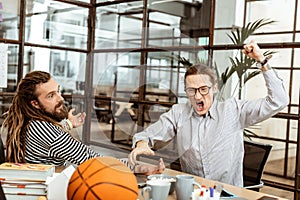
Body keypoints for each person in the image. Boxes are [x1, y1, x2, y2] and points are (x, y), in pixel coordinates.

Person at [128, 41, 289, 186]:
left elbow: (279, 101)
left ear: (215, 88)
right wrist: (142, 144)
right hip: (193, 193)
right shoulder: (179, 113)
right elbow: (147, 136)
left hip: (228, 195)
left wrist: (262, 60)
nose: (197, 96)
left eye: (203, 89)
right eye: (191, 90)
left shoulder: (234, 110)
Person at [1, 70, 164, 175]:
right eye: (51, 96)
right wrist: (139, 167)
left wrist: (69, 125)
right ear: (35, 104)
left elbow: (49, 138)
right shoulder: (46, 131)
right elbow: (93, 159)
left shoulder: (29, 122)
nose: (61, 98)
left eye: (58, 91)